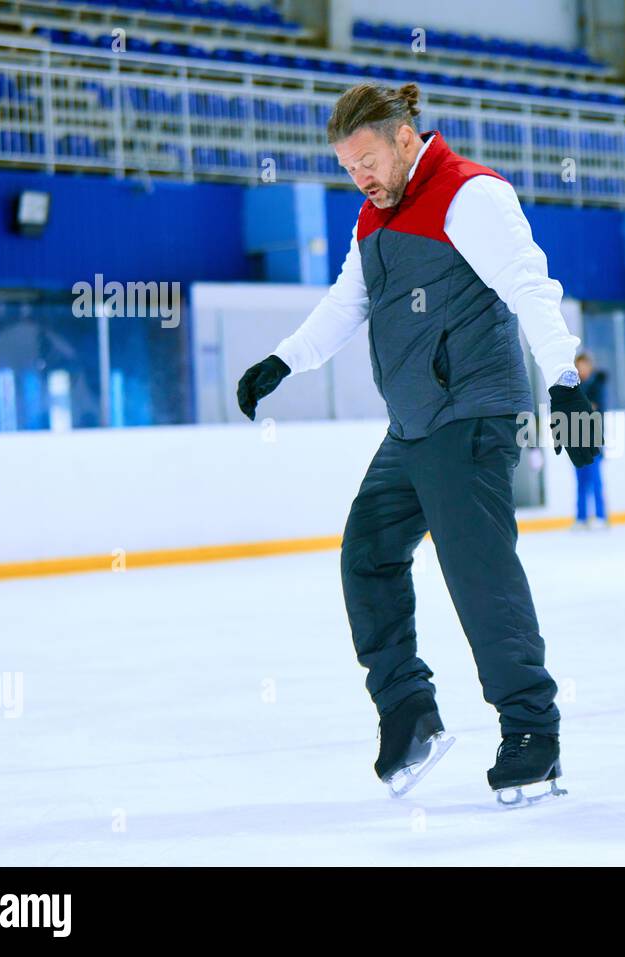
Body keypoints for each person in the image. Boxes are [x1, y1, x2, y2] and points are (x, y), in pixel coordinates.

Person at [236, 82, 602, 806]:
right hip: (413, 424)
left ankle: (533, 729)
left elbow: (531, 285)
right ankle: (409, 712)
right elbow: (349, 301)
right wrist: (285, 359)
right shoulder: (374, 219)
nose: (360, 178)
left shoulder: (471, 196)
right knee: (367, 553)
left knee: (478, 572)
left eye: (367, 159)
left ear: (406, 138)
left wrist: (564, 380)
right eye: (347, 168)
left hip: (471, 414)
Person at [569, 351, 609, 529]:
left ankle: (601, 516)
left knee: (595, 480)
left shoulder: (597, 385)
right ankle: (581, 518)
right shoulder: (573, 386)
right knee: (581, 481)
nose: (581, 369)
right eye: (579, 365)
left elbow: (596, 409)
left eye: (584, 365)